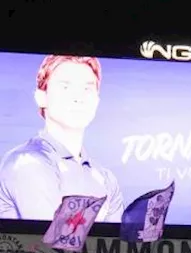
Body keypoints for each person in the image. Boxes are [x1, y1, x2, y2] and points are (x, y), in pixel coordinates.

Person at [0, 54, 125, 222]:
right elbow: (53, 242)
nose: (78, 98)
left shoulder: (106, 178)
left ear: (97, 100)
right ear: (41, 97)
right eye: (65, 87)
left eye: (87, 89)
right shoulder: (26, 162)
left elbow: (114, 245)